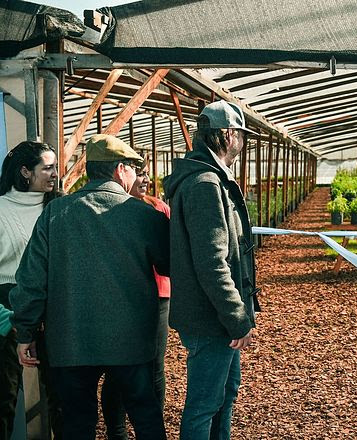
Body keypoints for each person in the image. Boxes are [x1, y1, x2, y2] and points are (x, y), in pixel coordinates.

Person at [10, 134, 169, 439]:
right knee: (146, 418)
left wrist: (26, 331)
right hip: (130, 341)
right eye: (134, 168)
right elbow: (170, 266)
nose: (137, 174)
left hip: (71, 342)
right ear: (120, 169)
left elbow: (31, 280)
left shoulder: (54, 214)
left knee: (77, 423)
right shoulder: (143, 215)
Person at [163, 100, 258, 440]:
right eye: (241, 135)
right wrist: (236, 316)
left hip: (213, 314)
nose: (243, 142)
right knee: (204, 405)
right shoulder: (205, 183)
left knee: (222, 397)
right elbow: (213, 262)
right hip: (211, 317)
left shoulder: (208, 177)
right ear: (228, 135)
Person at [101, 165, 171, 440]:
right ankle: (116, 432)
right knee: (116, 367)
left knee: (155, 364)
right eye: (138, 173)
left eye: (146, 174)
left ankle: (154, 427)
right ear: (121, 175)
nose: (144, 179)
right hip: (123, 295)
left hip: (157, 296)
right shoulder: (113, 211)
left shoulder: (158, 208)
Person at [0, 141, 59, 439]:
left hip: (54, 309)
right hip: (5, 311)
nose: (55, 174)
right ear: (24, 171)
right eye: (47, 168)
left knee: (62, 399)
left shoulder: (60, 208)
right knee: (4, 398)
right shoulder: (0, 210)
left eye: (55, 167)